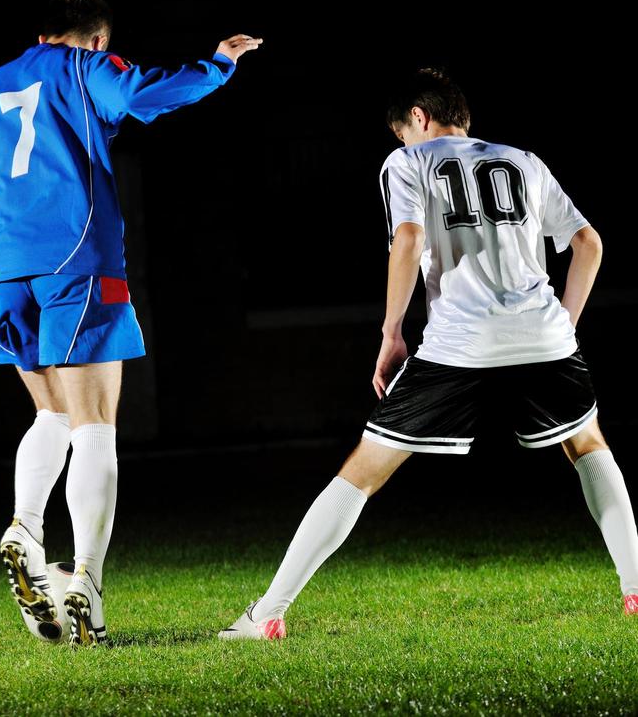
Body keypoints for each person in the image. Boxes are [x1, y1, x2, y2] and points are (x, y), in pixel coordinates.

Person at [0, 0, 262, 648]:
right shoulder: (89, 66)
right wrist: (218, 64)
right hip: (76, 257)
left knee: (52, 413)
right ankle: (86, 586)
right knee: (96, 424)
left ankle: (27, 532)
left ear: (39, 34)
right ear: (97, 39)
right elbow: (140, 95)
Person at [219, 66, 638, 639]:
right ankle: (634, 587)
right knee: (588, 446)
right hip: (543, 337)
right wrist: (561, 325)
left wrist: (392, 332)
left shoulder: (408, 162)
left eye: (403, 132)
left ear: (418, 117)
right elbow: (589, 243)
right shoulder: (524, 160)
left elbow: (409, 239)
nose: (402, 142)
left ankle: (267, 613)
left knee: (361, 473)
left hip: (458, 344)